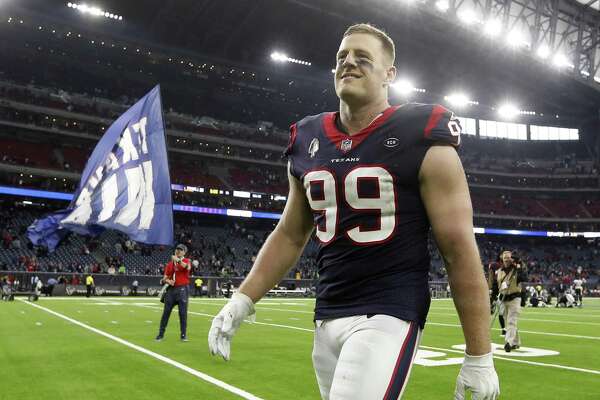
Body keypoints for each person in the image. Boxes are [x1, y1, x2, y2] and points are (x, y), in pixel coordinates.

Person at [208, 23, 499, 399]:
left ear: (389, 74)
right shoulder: (308, 137)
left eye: (363, 58)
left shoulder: (421, 130)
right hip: (327, 311)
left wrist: (479, 355)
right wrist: (242, 299)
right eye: (342, 57)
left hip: (388, 311)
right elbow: (291, 233)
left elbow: (458, 247)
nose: (349, 64)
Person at [155, 244, 191, 342]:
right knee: (166, 313)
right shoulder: (170, 264)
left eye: (180, 250)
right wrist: (168, 281)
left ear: (184, 252)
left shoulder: (186, 261)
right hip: (171, 290)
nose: (178, 251)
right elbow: (164, 278)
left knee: (183, 313)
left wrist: (178, 260)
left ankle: (183, 335)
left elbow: (187, 268)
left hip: (182, 289)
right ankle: (160, 334)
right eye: (177, 249)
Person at [496, 251, 527, 352]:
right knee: (509, 322)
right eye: (505, 258)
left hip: (515, 298)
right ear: (502, 259)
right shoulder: (500, 270)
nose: (506, 260)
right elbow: (497, 285)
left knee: (511, 321)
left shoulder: (517, 269)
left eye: (508, 258)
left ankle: (508, 342)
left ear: (512, 258)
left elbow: (524, 278)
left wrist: (519, 266)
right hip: (504, 298)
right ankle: (516, 342)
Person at [488, 256, 506, 336]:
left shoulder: (506, 267)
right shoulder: (494, 265)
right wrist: (490, 288)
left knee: (501, 312)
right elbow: (491, 277)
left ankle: (503, 329)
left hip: (501, 290)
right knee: (491, 311)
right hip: (495, 290)